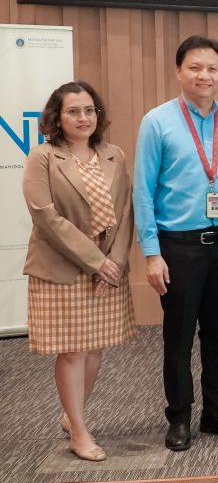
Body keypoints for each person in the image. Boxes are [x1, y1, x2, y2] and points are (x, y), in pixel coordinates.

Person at [134, 35, 218, 451]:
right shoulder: (157, 122)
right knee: (180, 334)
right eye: (195, 67)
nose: (204, 75)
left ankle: (216, 411)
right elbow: (143, 192)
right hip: (179, 246)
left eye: (212, 68)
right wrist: (152, 253)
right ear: (178, 71)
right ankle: (179, 417)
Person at [23, 81, 135, 462]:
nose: (83, 118)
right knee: (73, 351)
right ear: (57, 117)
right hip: (63, 268)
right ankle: (79, 432)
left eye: (90, 110)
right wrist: (96, 262)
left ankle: (72, 416)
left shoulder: (114, 155)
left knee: (94, 347)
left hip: (108, 268)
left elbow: (126, 212)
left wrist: (115, 262)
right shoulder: (42, 157)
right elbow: (46, 217)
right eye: (73, 111)